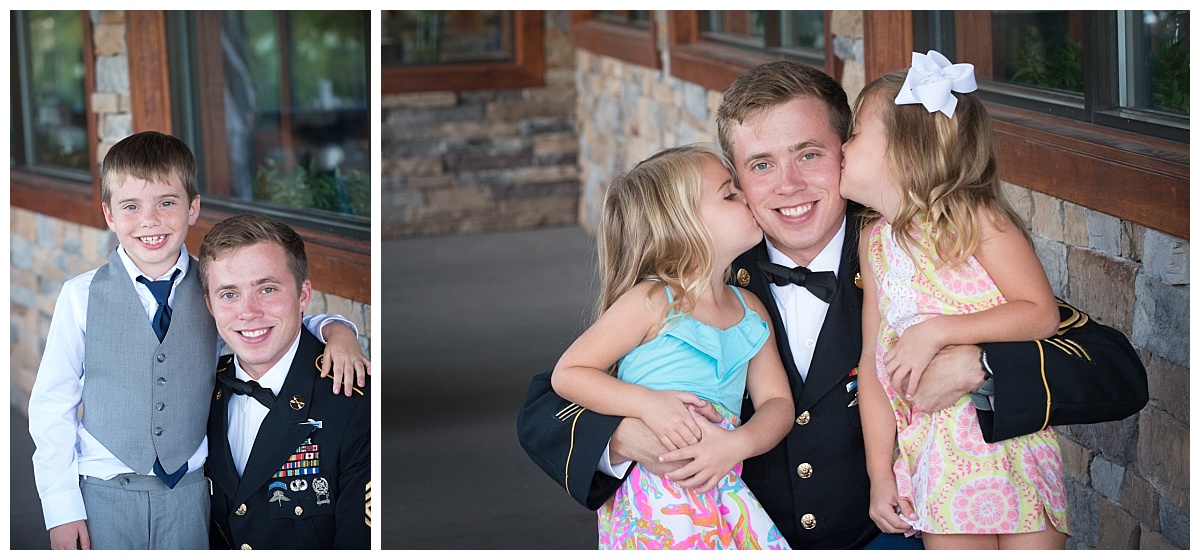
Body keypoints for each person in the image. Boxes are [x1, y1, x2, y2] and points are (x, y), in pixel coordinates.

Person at [518, 59, 1145, 550]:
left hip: (889, 538)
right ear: (735, 181)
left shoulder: (913, 253)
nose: (788, 185)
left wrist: (980, 363)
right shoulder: (708, 280)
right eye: (760, 165)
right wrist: (625, 437)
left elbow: (1113, 366)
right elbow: (547, 406)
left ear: (848, 152)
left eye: (809, 154)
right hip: (734, 538)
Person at [28, 131, 369, 550]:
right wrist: (61, 506)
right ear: (109, 215)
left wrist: (339, 331)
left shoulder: (214, 291)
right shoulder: (81, 297)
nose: (150, 221)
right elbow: (51, 404)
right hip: (103, 490)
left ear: (193, 207)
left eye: (166, 203)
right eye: (131, 206)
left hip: (190, 495)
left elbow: (274, 321)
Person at [843, 51, 1068, 549]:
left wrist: (940, 331)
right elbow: (872, 365)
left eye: (856, 133)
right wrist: (881, 475)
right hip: (937, 465)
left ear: (904, 152)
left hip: (1011, 446)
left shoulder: (977, 220)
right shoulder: (874, 243)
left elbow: (1040, 313)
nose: (843, 145)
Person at [550, 144, 794, 549]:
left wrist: (740, 443)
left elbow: (777, 402)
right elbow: (570, 373)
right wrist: (647, 404)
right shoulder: (651, 302)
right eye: (730, 194)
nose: (747, 197)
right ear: (684, 226)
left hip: (721, 486)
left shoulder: (750, 309)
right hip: (655, 498)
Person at [200, 212, 371, 550]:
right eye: (229, 294)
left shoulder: (355, 402)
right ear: (209, 304)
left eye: (267, 288)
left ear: (303, 294)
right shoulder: (200, 392)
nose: (248, 312)